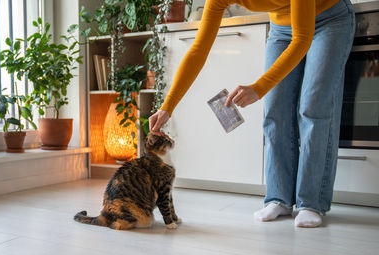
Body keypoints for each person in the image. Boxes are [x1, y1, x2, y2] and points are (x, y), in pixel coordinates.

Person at [149, 0, 355, 228]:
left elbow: (302, 39)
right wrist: (168, 106)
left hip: (329, 20)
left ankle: (311, 203)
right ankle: (280, 198)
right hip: (282, 28)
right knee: (275, 110)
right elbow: (198, 50)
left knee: (313, 108)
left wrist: (258, 88)